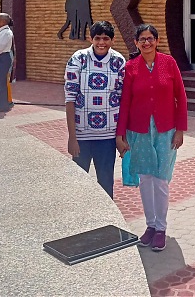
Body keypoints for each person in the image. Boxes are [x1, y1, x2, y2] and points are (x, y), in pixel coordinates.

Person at [116, 23, 188, 252]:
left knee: (160, 180)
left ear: (157, 41)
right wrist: (120, 134)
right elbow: (125, 102)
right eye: (142, 39)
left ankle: (161, 228)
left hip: (165, 129)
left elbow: (181, 97)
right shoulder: (131, 68)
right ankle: (150, 226)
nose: (146, 42)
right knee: (146, 179)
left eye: (150, 38)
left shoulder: (169, 63)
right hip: (139, 131)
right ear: (136, 43)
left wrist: (180, 129)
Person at [64, 20, 126, 199]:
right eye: (97, 38)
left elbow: (123, 100)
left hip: (107, 138)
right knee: (77, 183)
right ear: (91, 39)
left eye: (106, 38)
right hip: (82, 136)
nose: (101, 43)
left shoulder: (118, 61)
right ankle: (78, 221)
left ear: (112, 40)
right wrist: (72, 138)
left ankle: (107, 224)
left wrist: (120, 137)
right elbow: (70, 99)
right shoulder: (78, 59)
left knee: (106, 183)